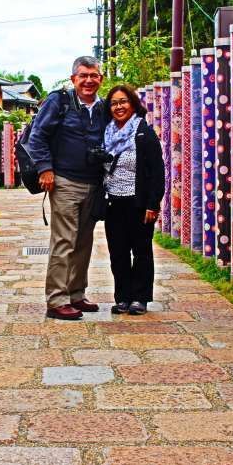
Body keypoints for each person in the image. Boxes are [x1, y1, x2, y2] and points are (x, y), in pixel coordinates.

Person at [28, 56, 108, 320]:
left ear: (101, 79)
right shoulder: (58, 101)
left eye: (94, 75)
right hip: (64, 182)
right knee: (64, 240)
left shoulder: (103, 108)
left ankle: (76, 293)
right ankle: (56, 299)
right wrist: (45, 169)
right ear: (73, 78)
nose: (88, 80)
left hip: (94, 183)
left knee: (84, 241)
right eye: (83, 75)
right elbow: (37, 136)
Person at [102, 85, 164, 315]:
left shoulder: (143, 132)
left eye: (123, 101)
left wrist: (153, 203)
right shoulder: (105, 134)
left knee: (141, 252)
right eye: (114, 103)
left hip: (137, 202)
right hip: (113, 202)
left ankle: (140, 298)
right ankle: (122, 298)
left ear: (133, 104)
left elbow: (157, 171)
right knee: (117, 252)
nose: (119, 107)